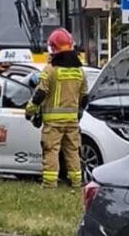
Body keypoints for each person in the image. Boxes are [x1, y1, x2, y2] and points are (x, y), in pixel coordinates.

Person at [25, 29, 88, 188]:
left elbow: (40, 94)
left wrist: (30, 110)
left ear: (53, 49)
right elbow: (84, 96)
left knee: (51, 151)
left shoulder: (50, 70)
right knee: (73, 152)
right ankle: (76, 182)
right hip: (72, 122)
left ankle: (49, 183)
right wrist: (78, 114)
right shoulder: (80, 71)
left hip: (53, 123)